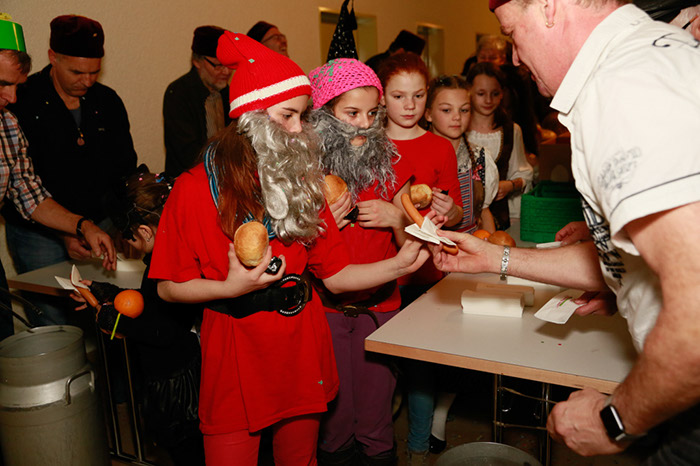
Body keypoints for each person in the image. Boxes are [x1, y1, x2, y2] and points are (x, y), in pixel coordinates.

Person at [429, 0, 700, 462]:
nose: (516, 58)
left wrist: (614, 420)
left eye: (513, 35)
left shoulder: (625, 87)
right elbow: (649, 256)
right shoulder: (648, 57)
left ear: (550, 8)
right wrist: (495, 258)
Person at [149, 32, 428, 465]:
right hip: (235, 352)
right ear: (251, 116)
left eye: (303, 116)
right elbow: (168, 287)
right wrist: (229, 288)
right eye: (289, 116)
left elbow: (336, 276)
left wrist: (401, 263)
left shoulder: (303, 182)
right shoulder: (194, 189)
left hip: (301, 346)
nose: (300, 130)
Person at [307, 58, 423, 465]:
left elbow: (414, 242)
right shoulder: (306, 175)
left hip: (381, 309)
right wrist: (318, 226)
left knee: (376, 415)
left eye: (373, 114)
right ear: (323, 115)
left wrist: (398, 218)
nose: (364, 125)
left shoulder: (391, 166)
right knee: (334, 418)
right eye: (351, 113)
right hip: (325, 311)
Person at [5, 14, 136, 326]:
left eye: (94, 72)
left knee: (103, 308)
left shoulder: (107, 101)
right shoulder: (23, 99)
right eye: (77, 72)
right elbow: (23, 192)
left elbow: (124, 170)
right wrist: (67, 231)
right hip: (39, 235)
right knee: (51, 317)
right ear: (53, 57)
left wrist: (119, 224)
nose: (87, 81)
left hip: (95, 223)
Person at [72, 169, 204, 466]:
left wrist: (117, 322)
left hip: (179, 388)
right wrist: (107, 292)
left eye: (127, 238)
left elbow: (164, 330)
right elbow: (152, 306)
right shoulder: (169, 256)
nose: (127, 245)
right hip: (172, 375)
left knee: (189, 454)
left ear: (144, 232)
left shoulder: (169, 269)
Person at [425, 74, 498, 234]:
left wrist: (492, 245)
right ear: (428, 114)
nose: (457, 117)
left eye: (464, 110)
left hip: (470, 243)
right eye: (447, 110)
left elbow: (484, 212)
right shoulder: (418, 155)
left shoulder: (479, 157)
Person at [465, 62, 533, 230]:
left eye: (495, 94)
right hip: (464, 219)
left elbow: (523, 173)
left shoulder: (511, 130)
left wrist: (511, 185)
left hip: (501, 219)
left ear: (502, 94)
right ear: (469, 92)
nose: (488, 100)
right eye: (481, 94)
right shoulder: (459, 130)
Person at [163, 26, 231, 178]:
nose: (226, 72)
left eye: (229, 64)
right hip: (190, 180)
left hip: (225, 178)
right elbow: (187, 152)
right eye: (218, 65)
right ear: (197, 61)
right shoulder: (179, 93)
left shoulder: (228, 92)